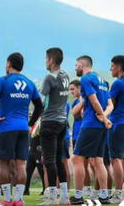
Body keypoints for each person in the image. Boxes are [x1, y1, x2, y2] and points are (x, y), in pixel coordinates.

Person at [0, 52, 43, 206]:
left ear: (9, 64)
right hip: (23, 129)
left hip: (6, 128)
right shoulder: (29, 83)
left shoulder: (3, 81)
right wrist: (30, 123)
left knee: (3, 163)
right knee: (20, 165)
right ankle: (18, 200)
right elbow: (40, 106)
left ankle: (8, 199)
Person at [69, 55, 112, 205]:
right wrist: (105, 117)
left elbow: (94, 100)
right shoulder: (101, 80)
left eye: (76, 65)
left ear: (82, 64)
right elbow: (110, 105)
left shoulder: (86, 79)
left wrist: (103, 117)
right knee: (98, 161)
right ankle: (104, 196)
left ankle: (79, 196)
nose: (75, 68)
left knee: (77, 159)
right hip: (100, 126)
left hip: (90, 124)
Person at [38, 47, 71, 205]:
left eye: (46, 59)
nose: (45, 62)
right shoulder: (66, 76)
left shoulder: (49, 78)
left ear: (51, 60)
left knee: (49, 161)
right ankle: (64, 197)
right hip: (62, 122)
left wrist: (33, 119)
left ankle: (52, 198)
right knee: (59, 160)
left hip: (50, 122)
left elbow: (41, 101)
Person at [104, 55, 124, 203]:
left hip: (117, 123)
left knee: (116, 159)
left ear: (119, 66)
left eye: (112, 66)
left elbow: (111, 105)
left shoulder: (117, 83)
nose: (110, 68)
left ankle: (118, 194)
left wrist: (103, 117)